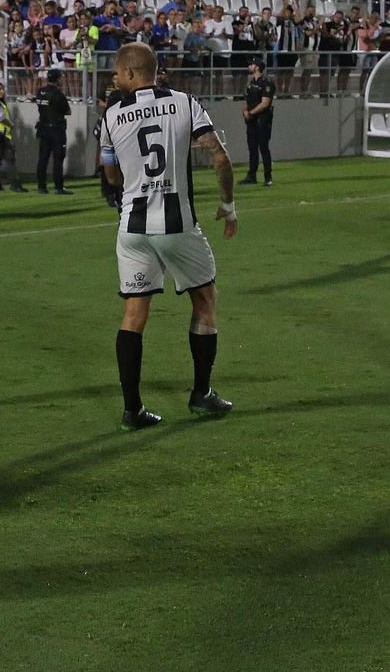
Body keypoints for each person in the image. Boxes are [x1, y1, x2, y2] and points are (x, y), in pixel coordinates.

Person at [99, 42, 236, 431]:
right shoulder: (185, 103)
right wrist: (228, 204)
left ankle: (132, 410)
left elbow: (110, 176)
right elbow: (220, 155)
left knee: (133, 314)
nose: (115, 77)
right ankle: (201, 394)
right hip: (176, 225)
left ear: (129, 73)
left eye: (117, 71)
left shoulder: (111, 116)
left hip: (132, 228)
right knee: (205, 298)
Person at [32, 69, 72, 194]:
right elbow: (68, 111)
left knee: (43, 158)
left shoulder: (40, 92)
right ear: (58, 79)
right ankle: (58, 187)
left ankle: (41, 186)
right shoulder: (58, 94)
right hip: (56, 130)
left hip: (43, 128)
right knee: (58, 158)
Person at [241, 57, 274, 186]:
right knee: (252, 147)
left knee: (263, 147)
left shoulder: (266, 83)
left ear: (257, 67)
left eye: (252, 64)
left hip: (262, 119)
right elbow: (246, 100)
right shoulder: (250, 83)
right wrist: (245, 111)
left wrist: (251, 113)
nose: (249, 67)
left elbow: (265, 103)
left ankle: (268, 176)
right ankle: (252, 175)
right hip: (251, 119)